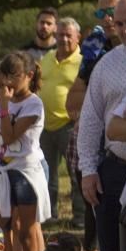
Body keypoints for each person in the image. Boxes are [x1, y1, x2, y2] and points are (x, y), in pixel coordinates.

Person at [76, 0, 126, 251]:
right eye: (121, 22)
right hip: (115, 167)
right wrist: (88, 169)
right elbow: (93, 120)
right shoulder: (106, 65)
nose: (125, 29)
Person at [66, 0, 124, 251]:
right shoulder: (95, 51)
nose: (109, 19)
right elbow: (77, 101)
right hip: (108, 154)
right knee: (110, 249)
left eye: (112, 11)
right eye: (102, 13)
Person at [0, 51, 49, 251]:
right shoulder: (6, 102)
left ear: (29, 75)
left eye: (13, 77)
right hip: (6, 169)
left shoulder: (33, 104)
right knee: (8, 227)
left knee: (29, 230)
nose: (7, 83)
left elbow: (9, 137)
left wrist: (4, 106)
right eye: (5, 76)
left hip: (27, 171)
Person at [39, 17, 82, 221]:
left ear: (77, 38)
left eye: (68, 35)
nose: (64, 39)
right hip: (45, 126)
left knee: (76, 174)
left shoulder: (83, 61)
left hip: (69, 125)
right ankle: (50, 215)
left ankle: (80, 216)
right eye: (60, 35)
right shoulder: (47, 57)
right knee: (48, 175)